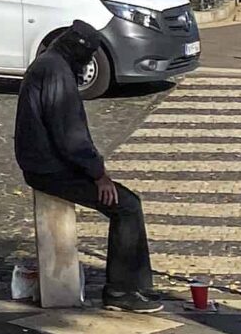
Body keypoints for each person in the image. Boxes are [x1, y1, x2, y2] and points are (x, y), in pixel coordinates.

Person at [14, 26, 156, 311]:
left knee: (125, 203)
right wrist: (98, 175)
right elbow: (70, 136)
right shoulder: (57, 73)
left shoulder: (50, 64)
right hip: (50, 168)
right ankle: (122, 290)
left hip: (46, 161)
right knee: (126, 206)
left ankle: (132, 287)